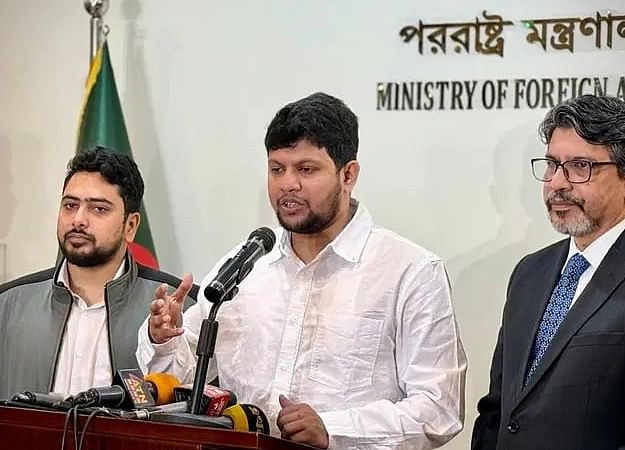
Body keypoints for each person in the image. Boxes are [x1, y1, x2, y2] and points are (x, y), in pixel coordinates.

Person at [137, 92, 467, 449]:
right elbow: (179, 381)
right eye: (277, 168)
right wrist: (165, 337)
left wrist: (332, 429)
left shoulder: (410, 272)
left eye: (306, 169)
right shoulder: (246, 266)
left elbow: (438, 409)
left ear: (348, 174)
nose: (287, 184)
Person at [471, 95, 625, 449]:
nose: (557, 183)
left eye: (580, 167)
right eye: (552, 165)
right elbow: (499, 411)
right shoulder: (529, 272)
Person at [0, 147, 184, 450]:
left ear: (130, 226)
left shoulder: (174, 309)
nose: (79, 220)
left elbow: (204, 414)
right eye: (70, 205)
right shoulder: (6, 303)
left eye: (99, 209)